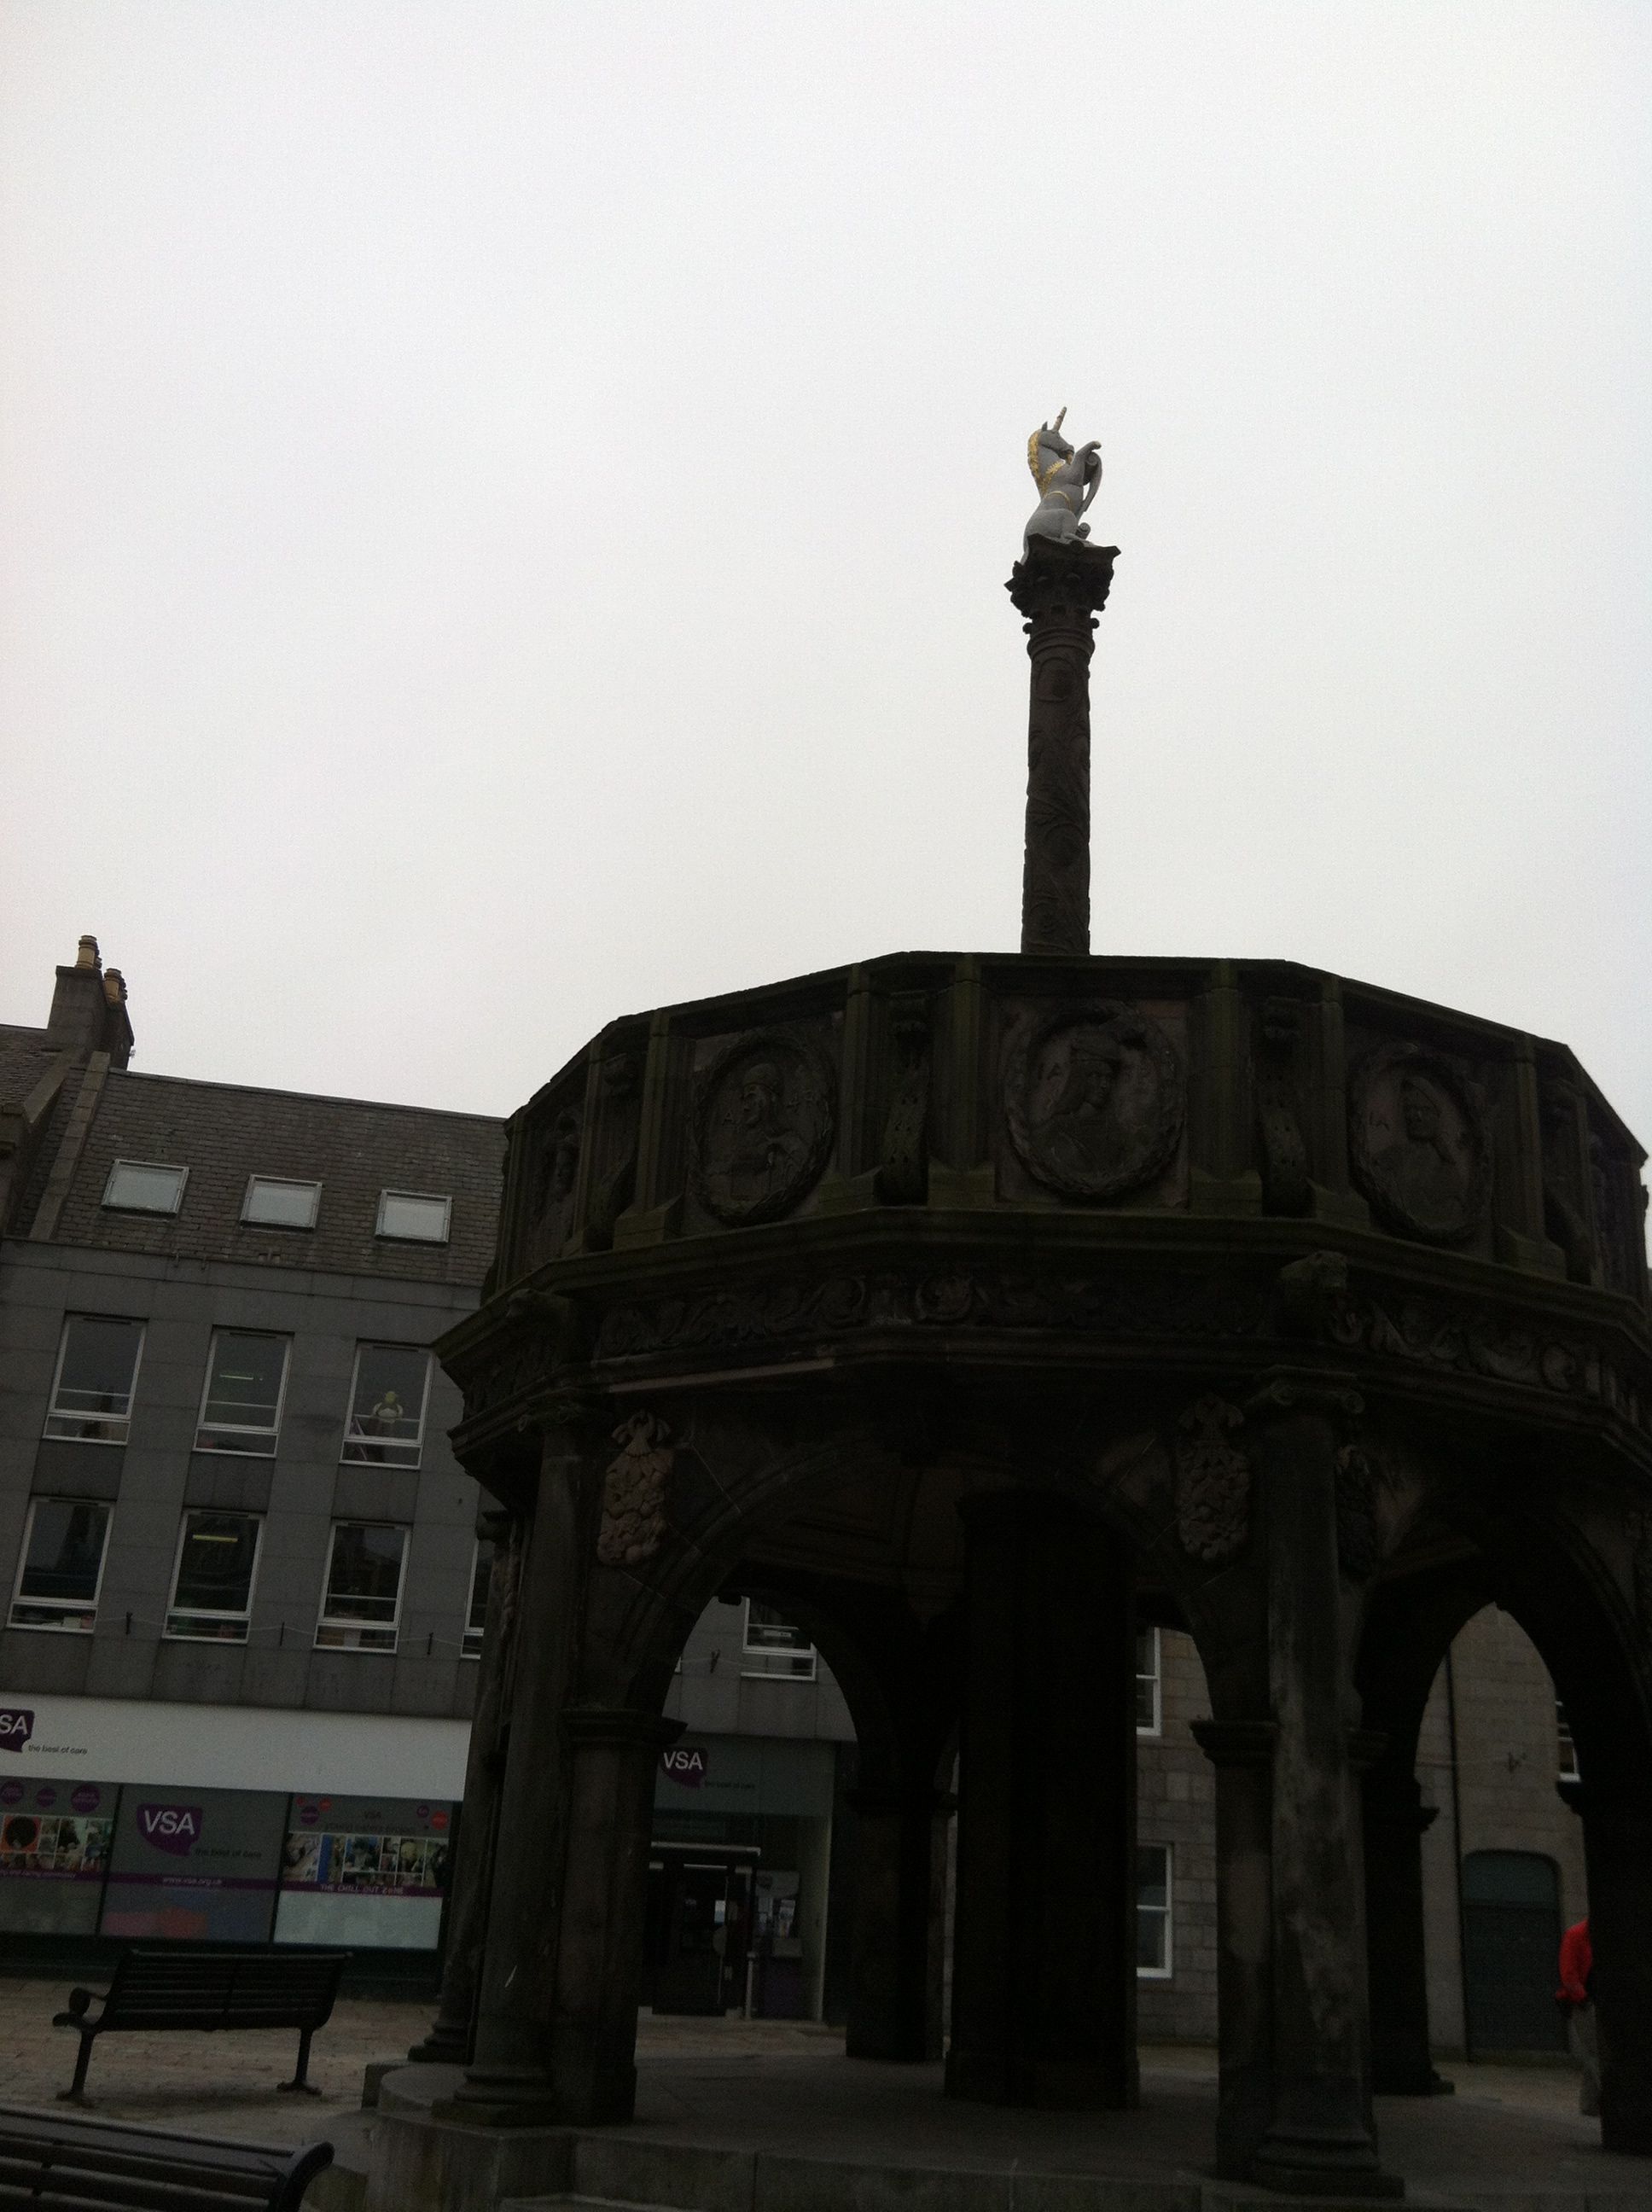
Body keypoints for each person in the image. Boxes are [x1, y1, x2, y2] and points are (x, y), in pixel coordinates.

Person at [1557, 1915, 1599, 2117]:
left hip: (1592, 2000)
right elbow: (1569, 1974)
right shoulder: (1575, 1936)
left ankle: (1589, 2104)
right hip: (1583, 2003)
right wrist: (1583, 1999)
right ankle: (1608, 2097)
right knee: (1596, 2052)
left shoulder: (1583, 1935)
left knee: (1595, 2053)